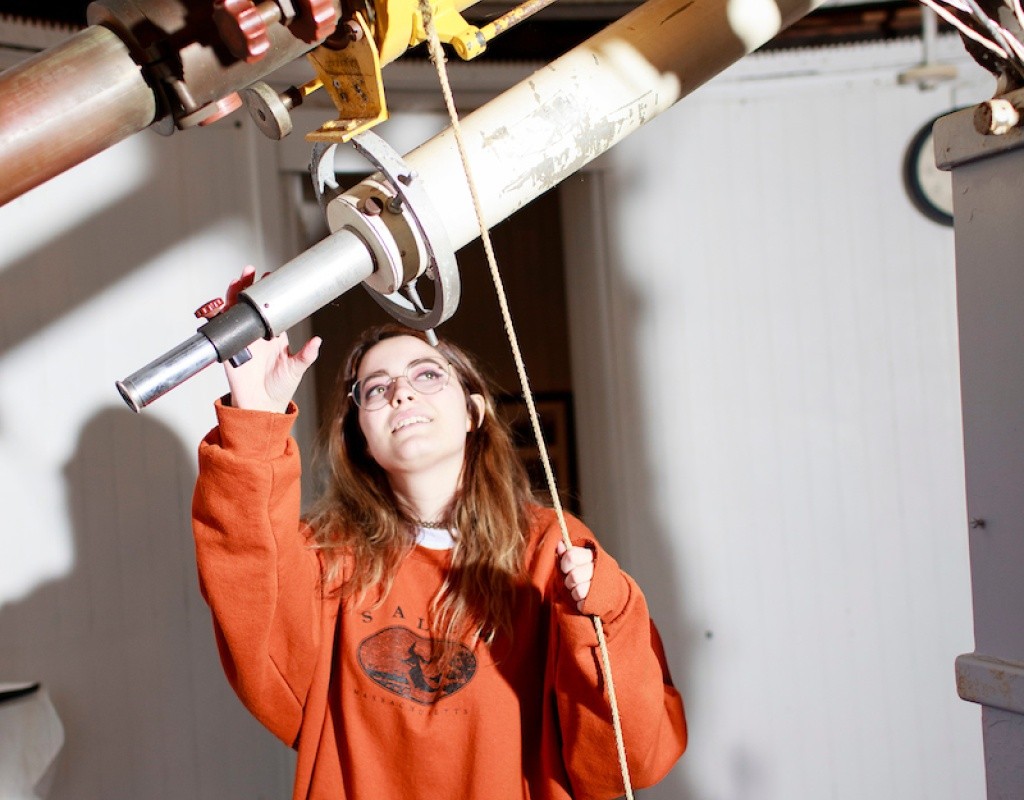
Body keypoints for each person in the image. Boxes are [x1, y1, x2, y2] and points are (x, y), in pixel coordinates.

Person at [191, 267, 686, 800]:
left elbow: (630, 759)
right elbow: (249, 594)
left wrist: (607, 610)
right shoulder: (326, 557)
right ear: (362, 437)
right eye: (375, 389)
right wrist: (256, 419)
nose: (401, 392)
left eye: (427, 375)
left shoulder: (547, 548)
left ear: (474, 411)